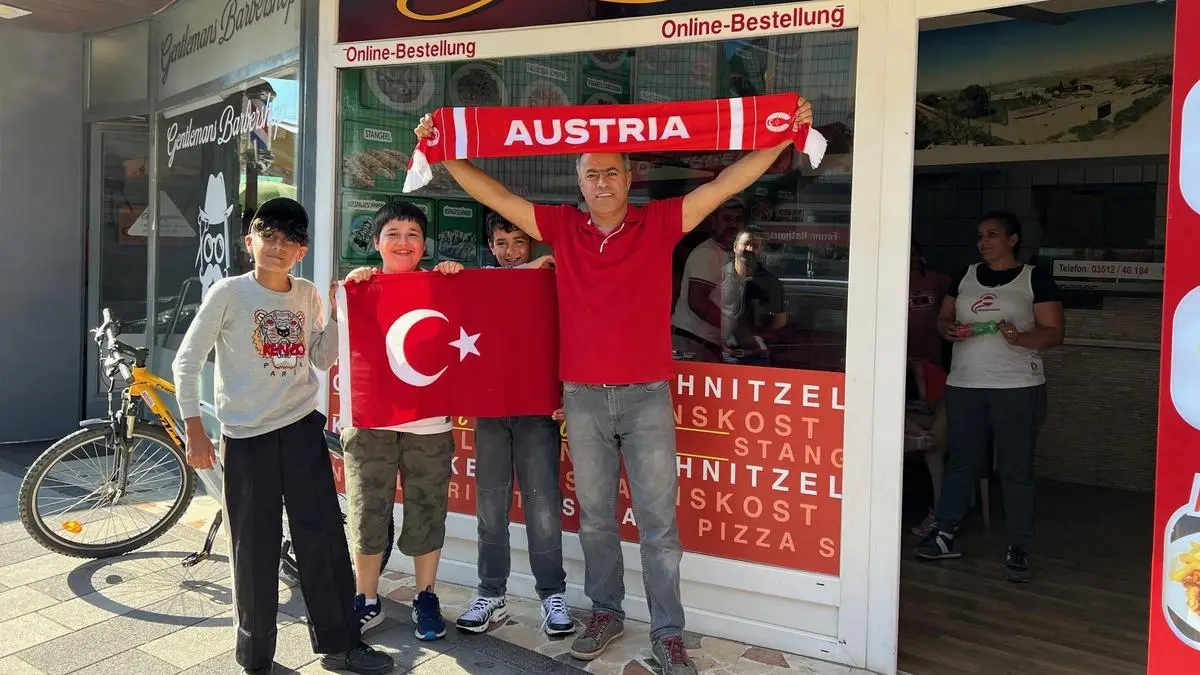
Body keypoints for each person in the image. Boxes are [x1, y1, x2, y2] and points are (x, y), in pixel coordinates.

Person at [414, 95, 814, 675]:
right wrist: (446, 153)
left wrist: (780, 136)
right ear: (579, 180)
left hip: (646, 394)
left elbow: (727, 183)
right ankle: (606, 612)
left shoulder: (660, 222)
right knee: (597, 518)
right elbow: (497, 197)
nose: (600, 182)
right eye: (591, 173)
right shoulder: (562, 226)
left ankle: (668, 633)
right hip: (582, 396)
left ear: (629, 178)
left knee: (659, 526)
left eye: (610, 172)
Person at [173, 197, 394, 675]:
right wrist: (194, 428)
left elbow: (319, 358)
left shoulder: (307, 294)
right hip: (247, 438)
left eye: (288, 240)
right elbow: (186, 362)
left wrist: (339, 314)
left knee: (323, 539)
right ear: (249, 241)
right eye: (267, 236)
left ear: (301, 251)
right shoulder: (229, 293)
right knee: (254, 548)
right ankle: (255, 658)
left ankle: (341, 644)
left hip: (301, 431)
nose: (276, 246)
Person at [914, 211, 1064, 584]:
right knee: (961, 462)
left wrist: (1020, 337)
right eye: (981, 236)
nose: (984, 242)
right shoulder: (964, 276)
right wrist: (950, 330)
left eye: (993, 235)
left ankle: (1019, 546)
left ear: (1013, 239)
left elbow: (1054, 332)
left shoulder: (1033, 278)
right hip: (965, 385)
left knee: (1015, 470)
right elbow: (943, 320)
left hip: (1017, 388)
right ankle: (943, 532)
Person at [339, 202, 465, 641]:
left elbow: (487, 306)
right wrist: (351, 291)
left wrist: (456, 277)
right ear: (377, 242)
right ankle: (366, 598)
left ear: (424, 244)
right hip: (371, 421)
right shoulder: (359, 288)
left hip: (429, 423)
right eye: (393, 233)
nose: (403, 242)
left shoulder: (442, 285)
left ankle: (425, 596)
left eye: (413, 234)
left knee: (427, 510)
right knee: (366, 509)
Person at [455, 212, 574, 636]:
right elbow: (460, 291)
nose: (510, 252)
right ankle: (491, 593)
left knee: (543, 506)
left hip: (537, 408)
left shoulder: (552, 280)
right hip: (491, 409)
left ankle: (552, 595)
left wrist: (567, 393)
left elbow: (571, 334)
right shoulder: (482, 280)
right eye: (502, 243)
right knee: (490, 505)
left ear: (533, 243)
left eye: (520, 242)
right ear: (490, 246)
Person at [670, 199, 745, 362]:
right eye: (727, 218)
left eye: (738, 219)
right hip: (692, 344)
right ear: (713, 221)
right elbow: (698, 302)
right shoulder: (708, 253)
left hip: (704, 344)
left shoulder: (728, 254)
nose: (733, 224)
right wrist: (736, 329)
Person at [719, 227, 787, 366]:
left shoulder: (770, 282)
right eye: (746, 243)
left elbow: (780, 321)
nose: (750, 249)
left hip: (757, 358)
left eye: (755, 246)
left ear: (760, 251)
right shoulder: (718, 276)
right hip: (722, 356)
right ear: (735, 247)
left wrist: (757, 338)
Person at [908, 239, 951, 369]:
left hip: (931, 349)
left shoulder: (935, 279)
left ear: (920, 256)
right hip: (902, 351)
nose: (910, 258)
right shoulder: (888, 281)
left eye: (913, 254)